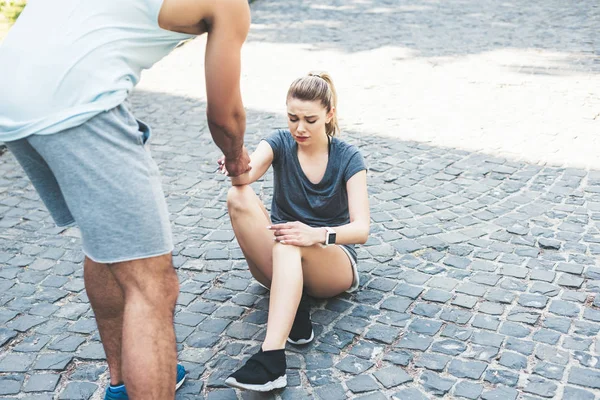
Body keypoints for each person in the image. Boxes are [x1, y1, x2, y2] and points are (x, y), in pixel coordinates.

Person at [0, 0, 252, 399]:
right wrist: (238, 160)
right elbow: (225, 116)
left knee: (106, 245)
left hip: (11, 93)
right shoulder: (229, 5)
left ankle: (122, 385)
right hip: (76, 104)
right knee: (151, 282)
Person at [219, 72, 370, 392]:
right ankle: (293, 301)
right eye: (293, 118)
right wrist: (235, 162)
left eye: (310, 120)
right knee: (238, 196)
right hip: (280, 256)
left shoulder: (348, 157)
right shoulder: (279, 142)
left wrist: (316, 234)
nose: (300, 128)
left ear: (329, 115)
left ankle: (271, 359)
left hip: (330, 260)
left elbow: (361, 229)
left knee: (290, 243)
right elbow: (246, 176)